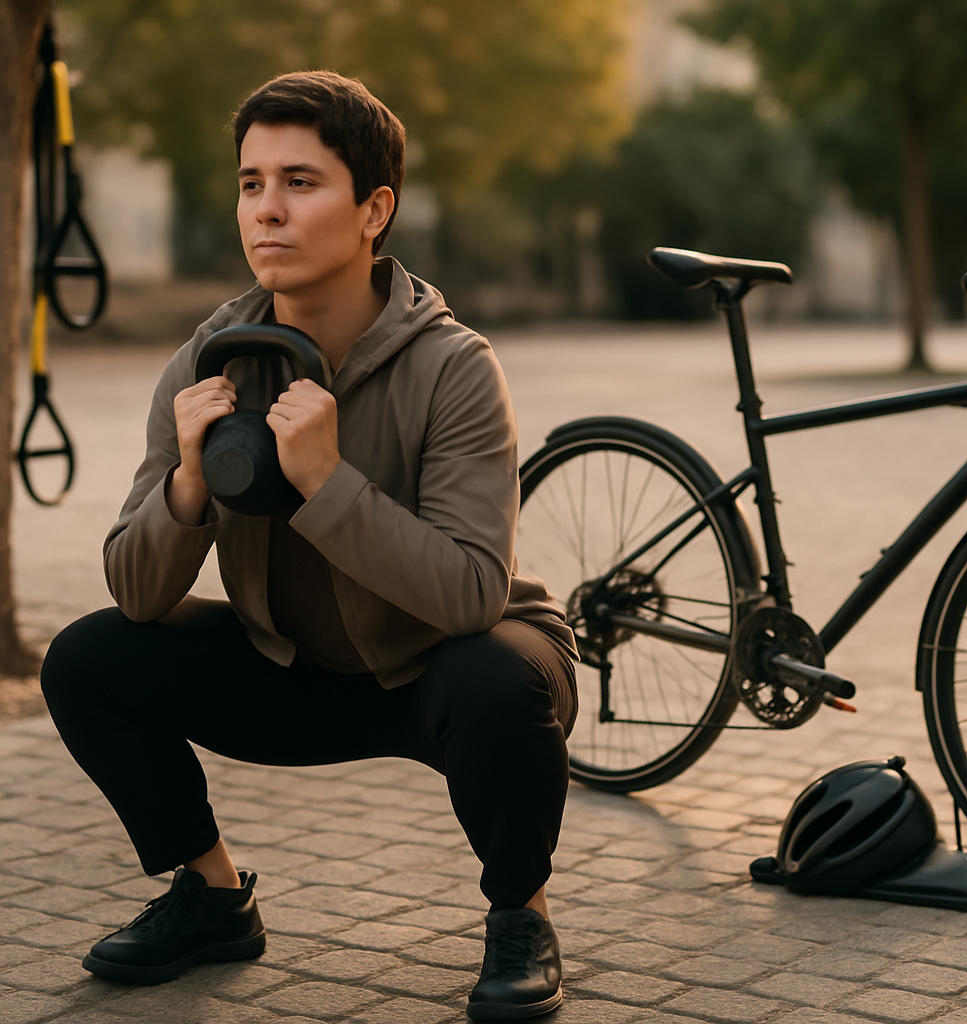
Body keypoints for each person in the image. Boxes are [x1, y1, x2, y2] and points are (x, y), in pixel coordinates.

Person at [40, 70, 578, 1021]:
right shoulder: (205, 361)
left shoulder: (456, 367)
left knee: (504, 678)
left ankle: (521, 917)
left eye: (300, 182)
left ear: (375, 210)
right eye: (251, 184)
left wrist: (329, 484)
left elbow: (467, 596)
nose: (267, 211)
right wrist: (188, 487)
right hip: (286, 668)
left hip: (437, 671)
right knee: (88, 658)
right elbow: (134, 590)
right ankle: (211, 899)